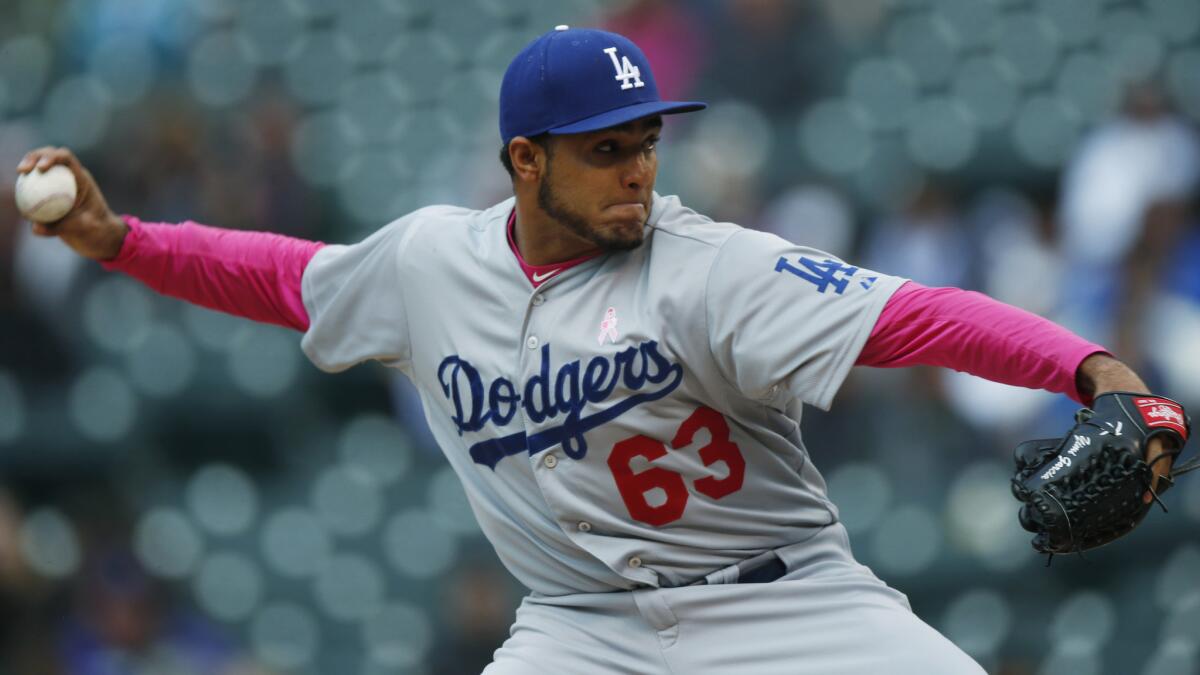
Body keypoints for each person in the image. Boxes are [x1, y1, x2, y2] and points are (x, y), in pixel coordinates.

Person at [16, 26, 1179, 675]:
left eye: (646, 142)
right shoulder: (430, 264)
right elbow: (276, 275)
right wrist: (121, 241)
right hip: (581, 632)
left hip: (789, 612)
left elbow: (918, 316)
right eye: (605, 149)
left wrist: (1099, 376)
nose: (638, 168)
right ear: (525, 161)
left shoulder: (710, 265)